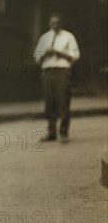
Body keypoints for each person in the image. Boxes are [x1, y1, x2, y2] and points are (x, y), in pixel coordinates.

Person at [33, 12, 80, 141]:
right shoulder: (44, 38)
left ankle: (64, 132)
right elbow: (37, 57)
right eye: (52, 23)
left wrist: (61, 53)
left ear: (61, 23)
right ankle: (51, 131)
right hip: (48, 71)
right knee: (50, 101)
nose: (55, 25)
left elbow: (76, 55)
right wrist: (45, 53)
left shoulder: (68, 36)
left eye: (57, 23)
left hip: (62, 71)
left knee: (63, 100)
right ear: (49, 23)